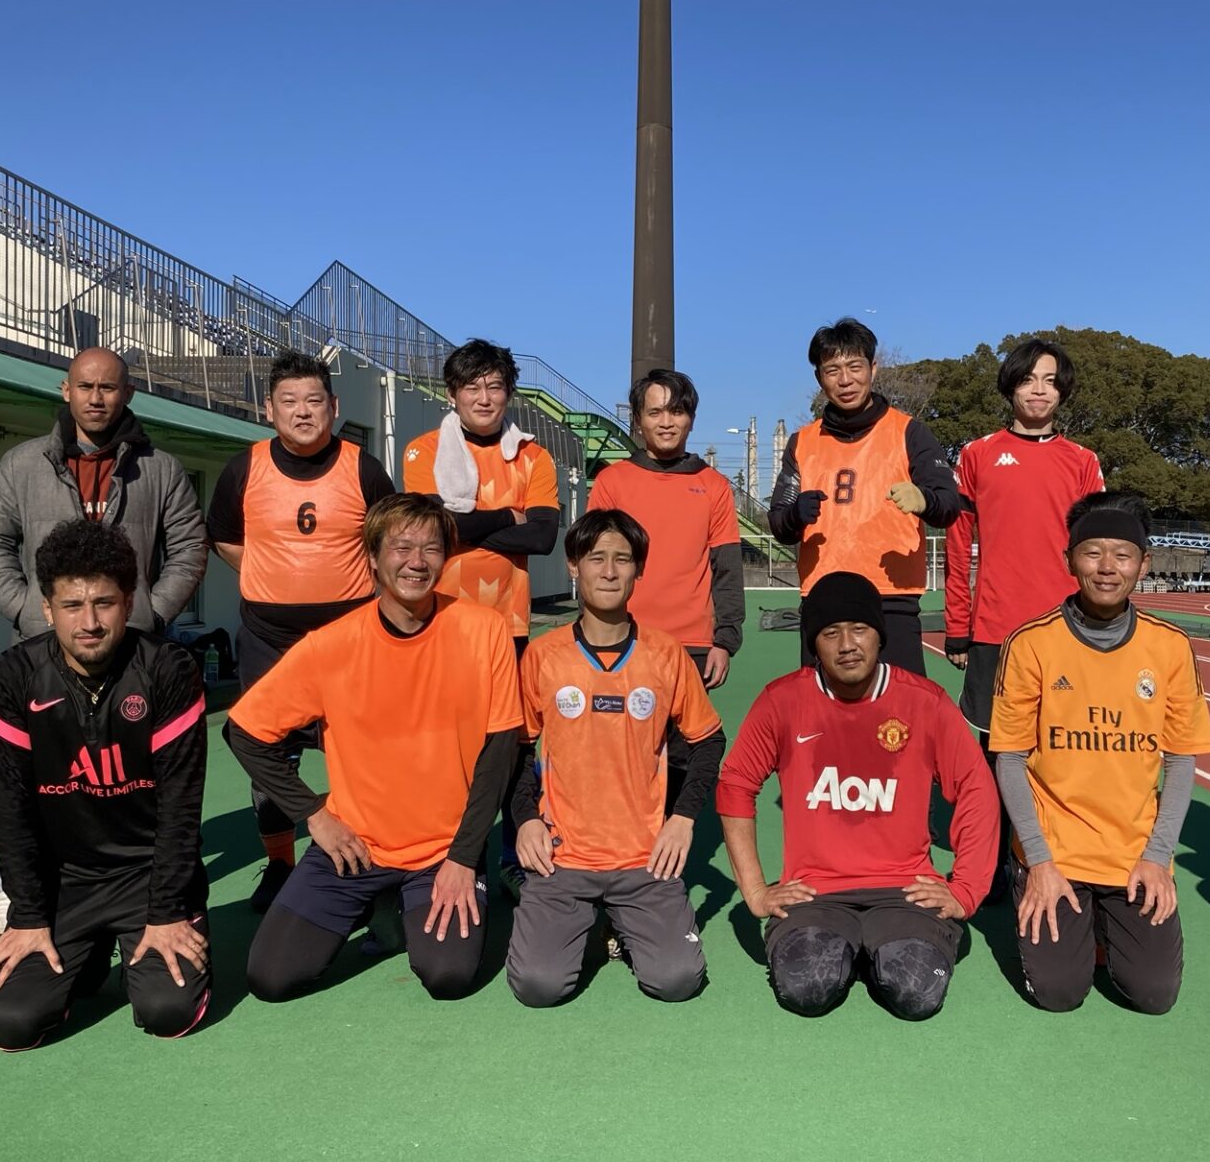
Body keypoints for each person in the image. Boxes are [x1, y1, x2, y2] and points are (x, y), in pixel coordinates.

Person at [228, 494, 520, 1003]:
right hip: (354, 847)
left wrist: (463, 857)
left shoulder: (484, 629)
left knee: (447, 975)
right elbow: (245, 732)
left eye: (431, 548)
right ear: (372, 557)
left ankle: (401, 903)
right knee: (271, 978)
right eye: (402, 547)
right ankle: (378, 900)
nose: (417, 562)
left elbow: (499, 755)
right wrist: (313, 814)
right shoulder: (330, 645)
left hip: (443, 850)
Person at [0, 347, 208, 937]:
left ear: (128, 393)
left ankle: (148, 886)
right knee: (30, 775)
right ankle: (12, 889)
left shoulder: (159, 469)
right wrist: (27, 609)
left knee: (129, 773)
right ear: (65, 390)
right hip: (45, 651)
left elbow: (189, 547)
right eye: (85, 386)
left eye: (108, 387)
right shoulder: (23, 464)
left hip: (131, 651)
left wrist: (149, 611)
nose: (96, 398)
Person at [716, 573, 998, 1020]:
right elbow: (735, 785)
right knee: (807, 990)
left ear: (879, 636)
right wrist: (754, 891)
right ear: (814, 643)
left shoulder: (924, 701)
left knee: (915, 993)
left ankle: (878, 947)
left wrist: (965, 889)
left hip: (904, 890)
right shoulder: (783, 700)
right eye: (830, 633)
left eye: (859, 629)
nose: (847, 644)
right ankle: (853, 949)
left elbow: (976, 789)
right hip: (816, 892)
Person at [0, 521, 211, 1051]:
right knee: (13, 1024)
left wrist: (168, 913)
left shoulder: (168, 671)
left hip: (147, 876)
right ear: (47, 609)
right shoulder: (13, 677)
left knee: (167, 1011)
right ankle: (87, 956)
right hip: (65, 884)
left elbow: (181, 809)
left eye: (104, 603)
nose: (89, 622)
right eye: (72, 605)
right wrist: (28, 917)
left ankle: (127, 947)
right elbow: (10, 810)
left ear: (128, 604)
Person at [988, 492, 1210, 1014]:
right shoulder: (1030, 643)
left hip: (1132, 855)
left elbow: (1181, 759)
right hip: (1056, 854)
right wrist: (1039, 861)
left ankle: (1103, 923)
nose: (1107, 567)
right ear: (1069, 561)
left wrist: (1157, 858)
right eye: (1092, 553)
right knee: (1058, 993)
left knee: (1153, 995)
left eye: (1123, 555)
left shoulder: (1169, 646)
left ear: (1144, 564)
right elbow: (1010, 758)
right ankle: (1037, 890)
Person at [505, 509, 726, 1007]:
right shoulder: (543, 655)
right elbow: (517, 748)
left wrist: (683, 818)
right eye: (595, 558)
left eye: (622, 559)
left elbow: (709, 741)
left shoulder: (666, 654)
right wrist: (525, 819)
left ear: (638, 570)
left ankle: (620, 926)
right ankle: (585, 926)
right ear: (573, 567)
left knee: (676, 980)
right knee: (538, 987)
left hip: (642, 859)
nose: (609, 571)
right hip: (563, 857)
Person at [206, 350, 396, 911]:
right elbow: (224, 537)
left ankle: (370, 859)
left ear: (333, 407)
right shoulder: (244, 468)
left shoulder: (364, 468)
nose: (303, 411)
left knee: (359, 755)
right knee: (268, 753)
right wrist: (271, 576)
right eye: (289, 401)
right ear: (269, 409)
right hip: (268, 641)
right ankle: (281, 863)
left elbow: (391, 541)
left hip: (350, 640)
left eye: (314, 400)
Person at [401, 338, 561, 892]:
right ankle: (443, 859)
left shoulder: (533, 456)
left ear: (509, 393)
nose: (484, 397)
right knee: (441, 745)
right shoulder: (423, 451)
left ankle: (515, 859)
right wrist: (506, 516)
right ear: (453, 394)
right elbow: (431, 529)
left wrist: (463, 525)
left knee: (512, 745)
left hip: (508, 627)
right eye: (472, 387)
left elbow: (542, 537)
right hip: (437, 622)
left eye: (495, 386)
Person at [768, 318, 960, 675]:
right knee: (822, 707)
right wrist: (795, 515)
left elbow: (949, 504)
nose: (845, 380)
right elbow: (778, 521)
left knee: (902, 705)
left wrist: (925, 499)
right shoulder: (802, 442)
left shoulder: (910, 432)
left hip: (892, 599)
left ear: (873, 367)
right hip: (823, 599)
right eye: (832, 370)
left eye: (855, 367)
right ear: (819, 378)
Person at [943, 337, 1105, 737]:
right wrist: (958, 627)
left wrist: (1101, 620)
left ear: (1062, 391)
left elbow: (1099, 551)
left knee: (1064, 743)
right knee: (997, 747)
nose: (1039, 390)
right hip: (995, 628)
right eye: (1028, 379)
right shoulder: (976, 455)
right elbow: (957, 549)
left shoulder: (1083, 461)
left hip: (1067, 626)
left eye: (1050, 381)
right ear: (1010, 385)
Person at [588, 368, 745, 690]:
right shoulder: (611, 482)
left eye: (676, 411)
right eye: (654, 412)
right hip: (621, 637)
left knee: (687, 726)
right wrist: (592, 633)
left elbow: (727, 567)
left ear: (692, 419)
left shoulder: (713, 485)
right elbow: (593, 564)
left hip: (693, 644)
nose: (666, 422)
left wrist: (724, 641)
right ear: (637, 419)